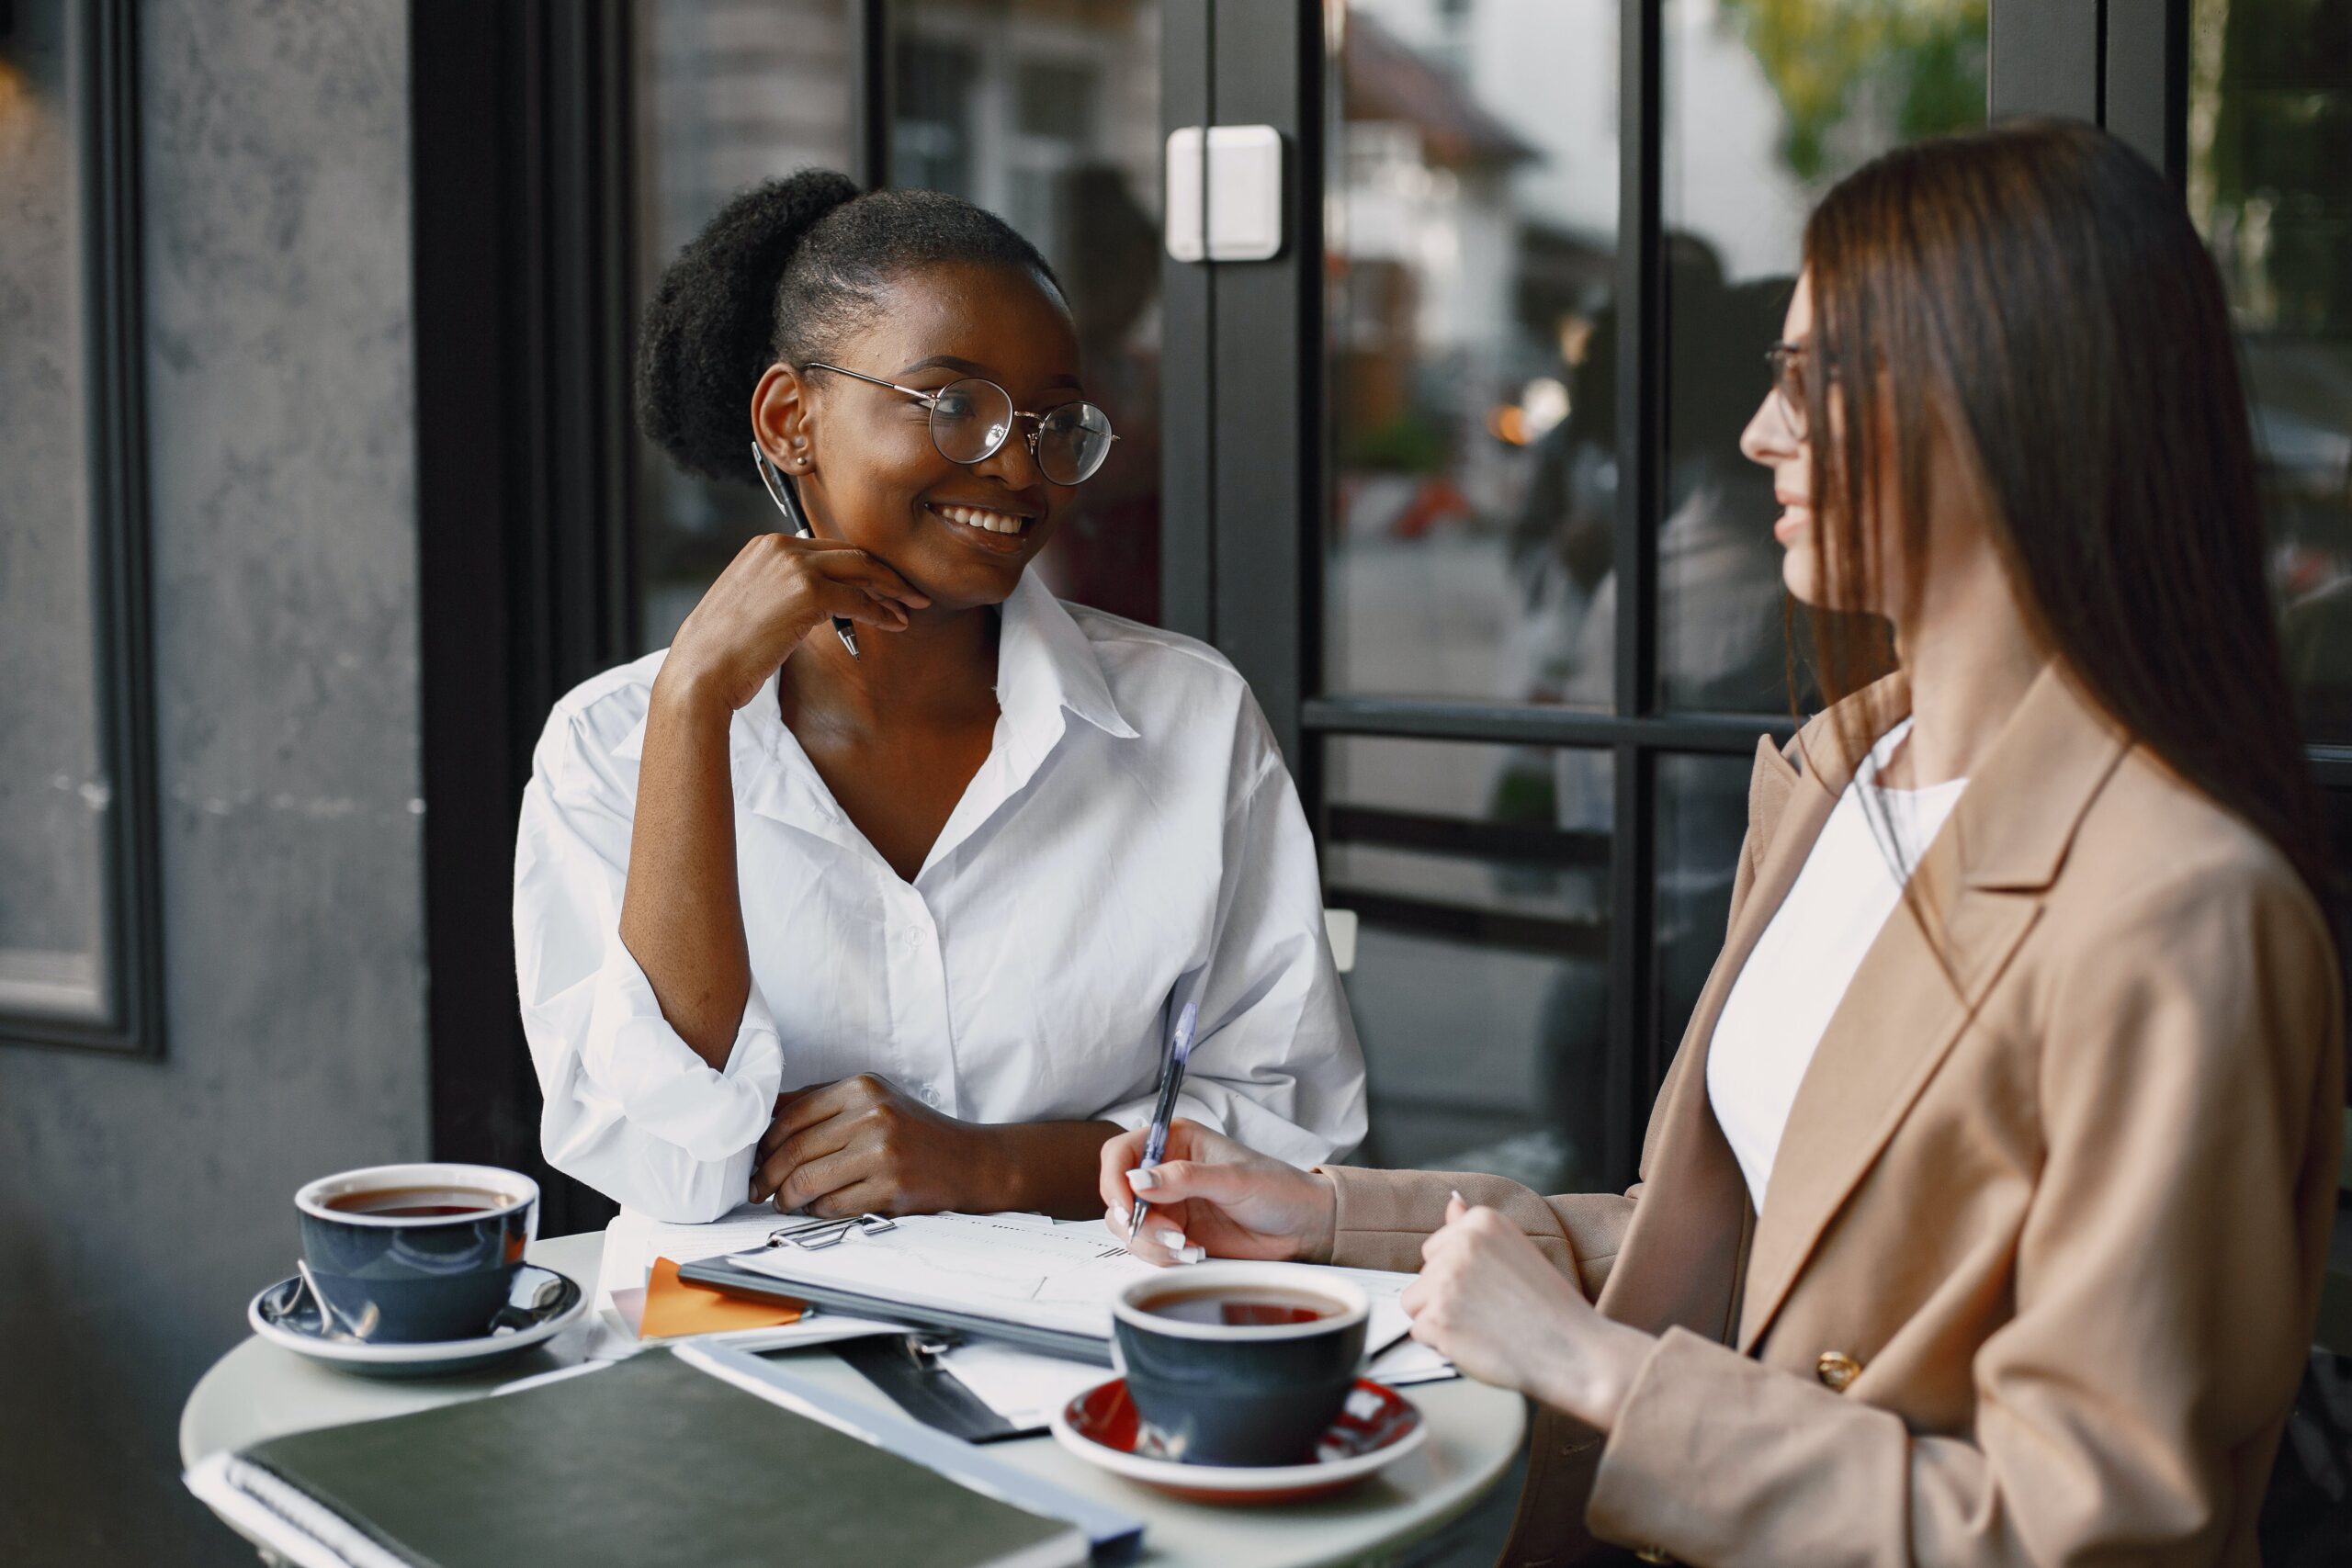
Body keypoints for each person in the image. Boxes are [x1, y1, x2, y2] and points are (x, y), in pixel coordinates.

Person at [1100, 120, 2342, 1565]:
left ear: (2008, 404)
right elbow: (1735, 1255)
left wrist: (1597, 1370)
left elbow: (2100, 1526)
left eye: (1812, 383)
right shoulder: (1839, 775)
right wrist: (1324, 1220)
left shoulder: (2182, 907)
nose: (1761, 434)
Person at [515, 171, 1364, 1225]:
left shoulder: (1188, 722)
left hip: (1090, 1356)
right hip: (752, 1356)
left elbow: (1291, 1124)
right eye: (955, 404)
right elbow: (661, 1169)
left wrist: (992, 1167)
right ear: (791, 419)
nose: (1021, 468)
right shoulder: (608, 747)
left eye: (1057, 422)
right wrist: (690, 707)